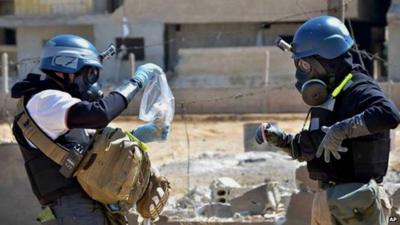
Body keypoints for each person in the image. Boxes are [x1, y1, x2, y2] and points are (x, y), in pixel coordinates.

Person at [255, 16, 400, 225]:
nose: (300, 74)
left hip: (357, 205)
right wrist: (283, 140)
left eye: (304, 65)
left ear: (326, 61)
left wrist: (341, 130)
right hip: (329, 202)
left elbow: (389, 114)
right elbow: (315, 146)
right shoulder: (330, 96)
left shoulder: (359, 89)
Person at [11, 34, 169, 225]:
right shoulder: (43, 100)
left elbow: (93, 147)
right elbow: (99, 114)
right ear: (66, 67)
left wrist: (138, 136)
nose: (91, 82)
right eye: (89, 73)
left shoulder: (61, 105)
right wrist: (137, 82)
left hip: (86, 203)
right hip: (73, 207)